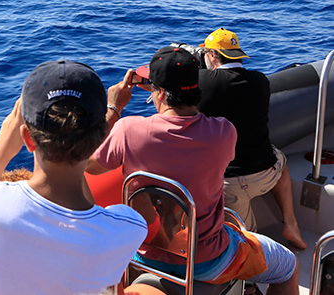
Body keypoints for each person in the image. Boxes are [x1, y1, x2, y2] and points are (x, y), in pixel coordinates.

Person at [87, 47, 299, 295]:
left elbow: (89, 164)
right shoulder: (223, 133)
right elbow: (190, 128)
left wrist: (114, 107)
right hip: (208, 261)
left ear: (160, 92)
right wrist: (167, 93)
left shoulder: (127, 131)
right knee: (288, 265)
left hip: (145, 255)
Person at [0, 61, 148, 295]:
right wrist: (112, 110)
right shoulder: (128, 228)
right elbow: (92, 221)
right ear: (101, 138)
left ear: (27, 139)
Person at [197, 28, 306, 249]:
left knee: (246, 243)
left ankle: (257, 275)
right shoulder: (260, 81)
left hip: (232, 183)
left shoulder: (203, 83)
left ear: (212, 55)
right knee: (280, 159)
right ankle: (291, 224)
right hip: (267, 172)